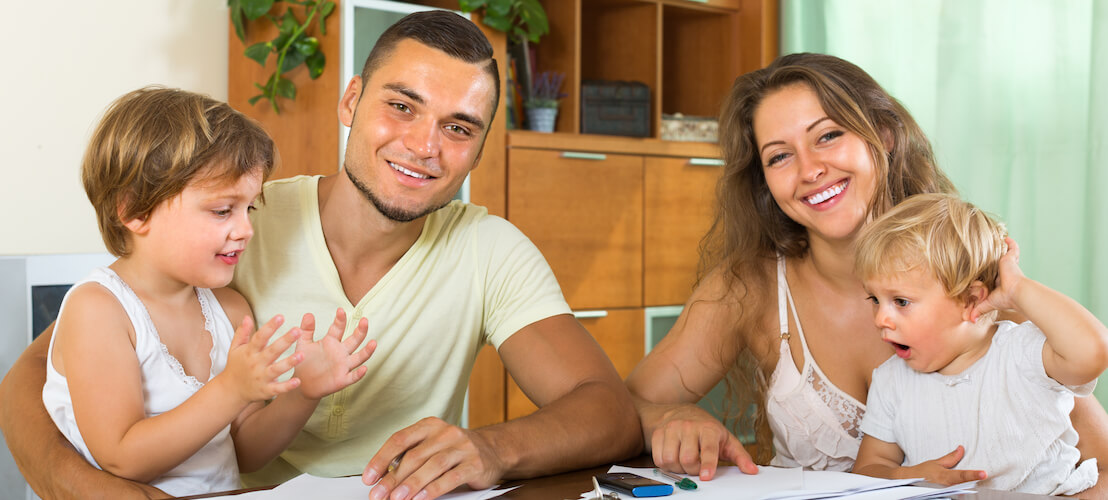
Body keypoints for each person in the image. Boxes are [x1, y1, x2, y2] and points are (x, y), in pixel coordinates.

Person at [0, 10, 640, 500]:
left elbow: (607, 411)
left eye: (458, 127)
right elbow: (33, 377)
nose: (424, 145)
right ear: (350, 101)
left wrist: (492, 450)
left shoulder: (490, 249)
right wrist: (94, 491)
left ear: (477, 149)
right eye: (401, 106)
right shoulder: (235, 224)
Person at [625, 52, 1108, 495]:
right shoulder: (748, 288)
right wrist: (674, 415)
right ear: (765, 182)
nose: (810, 169)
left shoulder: (970, 274)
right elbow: (625, 407)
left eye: (828, 135)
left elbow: (1101, 466)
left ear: (885, 136)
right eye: (779, 156)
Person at [39, 86, 376, 497]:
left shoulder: (231, 309)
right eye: (222, 210)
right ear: (135, 211)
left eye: (249, 208)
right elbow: (121, 456)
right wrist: (231, 389)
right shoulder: (99, 310)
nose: (246, 229)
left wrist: (304, 393)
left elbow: (246, 453)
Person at [851, 193, 1107, 494]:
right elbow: (867, 470)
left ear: (971, 299)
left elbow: (1094, 352)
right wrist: (907, 475)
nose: (881, 318)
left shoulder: (1021, 353)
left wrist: (1017, 290)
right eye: (874, 300)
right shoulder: (891, 381)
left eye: (901, 301)